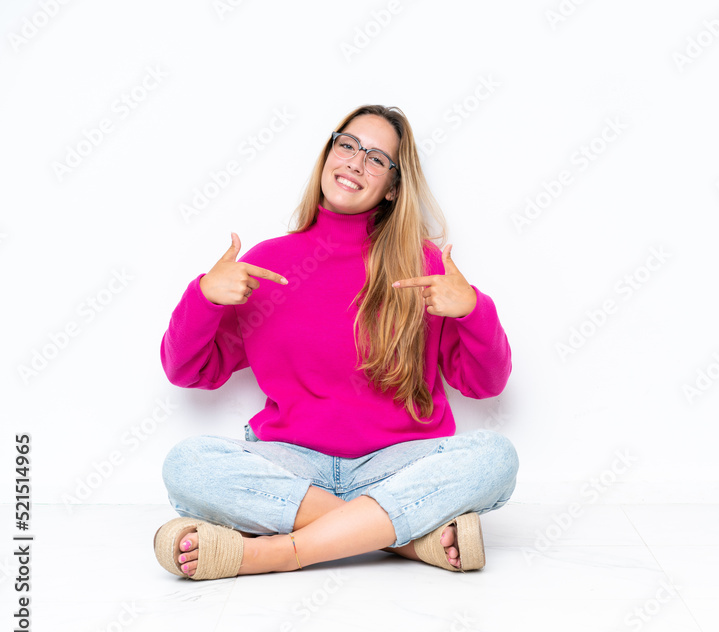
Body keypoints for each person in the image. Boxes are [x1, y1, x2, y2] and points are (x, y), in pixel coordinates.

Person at [153, 104, 517, 580]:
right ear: (328, 154)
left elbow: (484, 385)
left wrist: (472, 309)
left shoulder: (425, 267)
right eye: (347, 144)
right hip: (293, 465)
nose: (354, 161)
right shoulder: (268, 263)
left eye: (375, 158)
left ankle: (278, 552)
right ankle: (402, 539)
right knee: (188, 465)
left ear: (391, 188)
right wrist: (204, 297)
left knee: (496, 459)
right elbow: (188, 372)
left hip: (397, 463)